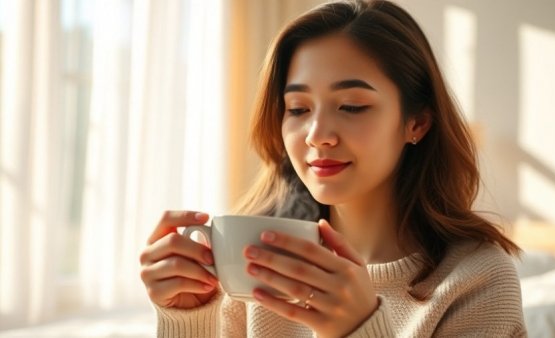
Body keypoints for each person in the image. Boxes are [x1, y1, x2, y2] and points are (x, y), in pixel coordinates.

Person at [140, 0, 526, 337]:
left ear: (417, 123)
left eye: (352, 106)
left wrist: (360, 330)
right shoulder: (252, 260)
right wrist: (187, 318)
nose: (317, 135)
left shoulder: (478, 279)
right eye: (298, 109)